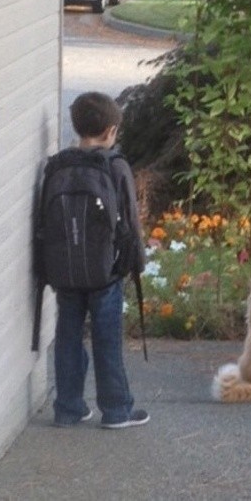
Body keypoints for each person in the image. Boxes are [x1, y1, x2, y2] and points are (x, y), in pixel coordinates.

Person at [47, 92, 149, 428]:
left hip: (65, 273)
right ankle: (116, 410)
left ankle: (68, 408)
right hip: (105, 272)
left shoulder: (58, 165)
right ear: (110, 131)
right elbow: (131, 222)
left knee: (67, 336)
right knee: (107, 339)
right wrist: (136, 262)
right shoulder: (115, 165)